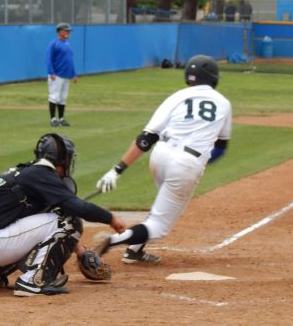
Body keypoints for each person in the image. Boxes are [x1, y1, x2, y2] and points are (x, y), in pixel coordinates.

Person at [94, 55, 232, 263]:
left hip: (160, 156)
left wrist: (116, 170)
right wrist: (200, 162)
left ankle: (135, 250)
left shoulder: (176, 97)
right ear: (214, 77)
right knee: (158, 227)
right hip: (186, 163)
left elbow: (146, 138)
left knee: (162, 203)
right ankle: (112, 241)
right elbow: (221, 148)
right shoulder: (223, 103)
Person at [0, 133, 125, 297]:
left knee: (54, 219)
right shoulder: (42, 175)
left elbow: (41, 226)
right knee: (70, 221)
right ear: (62, 159)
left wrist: (80, 251)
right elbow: (78, 208)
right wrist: (110, 218)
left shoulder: (28, 171)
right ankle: (33, 281)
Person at [46, 22, 77, 127]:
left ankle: (61, 118)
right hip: (57, 75)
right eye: (66, 31)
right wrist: (51, 72)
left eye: (69, 31)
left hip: (66, 75)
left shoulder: (67, 44)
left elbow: (70, 61)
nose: (68, 33)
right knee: (54, 96)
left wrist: (73, 74)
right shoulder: (54, 44)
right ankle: (53, 119)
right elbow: (48, 59)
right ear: (60, 31)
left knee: (63, 97)